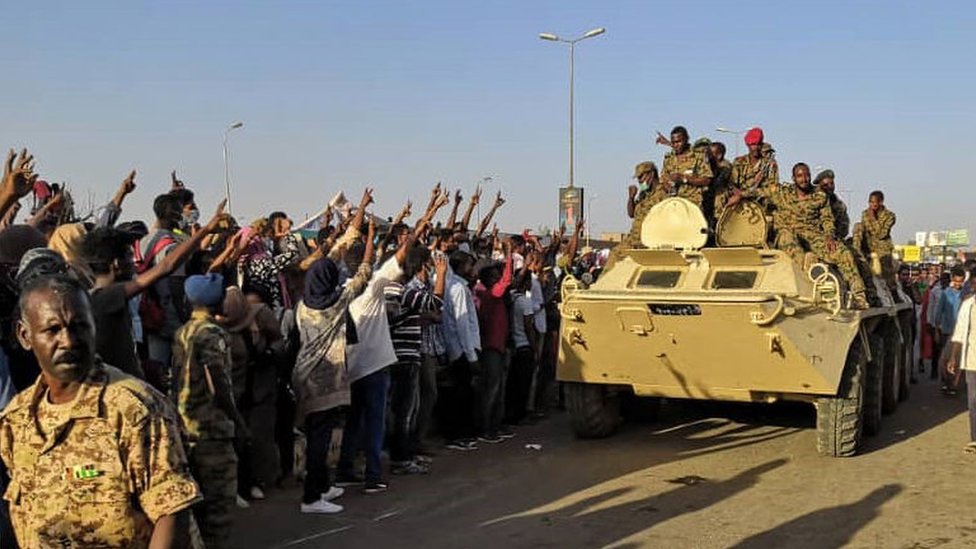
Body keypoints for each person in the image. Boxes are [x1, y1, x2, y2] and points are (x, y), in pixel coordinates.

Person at [0, 274, 201, 547]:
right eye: (52, 330)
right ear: (25, 336)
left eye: (79, 326)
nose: (68, 341)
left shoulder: (134, 408)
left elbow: (171, 512)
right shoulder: (17, 419)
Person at [84, 199, 228, 380]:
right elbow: (166, 266)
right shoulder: (107, 297)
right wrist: (205, 231)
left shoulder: (94, 298)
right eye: (129, 257)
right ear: (116, 264)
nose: (135, 264)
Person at [292, 199, 375, 514]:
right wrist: (369, 237)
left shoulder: (303, 303)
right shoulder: (335, 302)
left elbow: (335, 256)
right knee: (319, 438)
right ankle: (311, 498)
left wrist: (358, 223)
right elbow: (364, 273)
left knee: (319, 433)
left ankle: (323, 486)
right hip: (323, 378)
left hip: (305, 373)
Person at [171, 273, 247, 549]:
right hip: (211, 429)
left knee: (196, 506)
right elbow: (218, 382)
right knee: (219, 508)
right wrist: (237, 421)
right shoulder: (212, 334)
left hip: (186, 427)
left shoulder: (183, 331)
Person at [729, 162, 869, 309]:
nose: (804, 179)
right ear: (794, 178)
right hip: (787, 231)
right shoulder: (782, 192)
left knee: (843, 253)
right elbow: (760, 192)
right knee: (787, 240)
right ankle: (812, 271)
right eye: (800, 176)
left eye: (807, 175)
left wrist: (829, 236)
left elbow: (827, 219)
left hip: (812, 234)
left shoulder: (819, 196)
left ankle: (859, 296)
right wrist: (740, 196)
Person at [439, 250, 481, 451]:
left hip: (458, 348)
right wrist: (471, 355)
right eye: (469, 265)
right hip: (462, 350)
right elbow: (462, 323)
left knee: (461, 393)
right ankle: (457, 435)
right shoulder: (457, 288)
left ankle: (460, 433)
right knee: (461, 395)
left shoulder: (456, 286)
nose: (472, 270)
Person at [473, 242, 513, 443]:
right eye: (495, 277)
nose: (499, 279)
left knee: (496, 388)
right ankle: (487, 428)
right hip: (492, 347)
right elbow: (507, 280)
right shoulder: (492, 295)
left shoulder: (490, 296)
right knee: (492, 389)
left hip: (497, 345)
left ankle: (494, 426)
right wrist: (509, 256)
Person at [945, 278, 976, 454]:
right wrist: (953, 358)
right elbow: (959, 333)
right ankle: (974, 439)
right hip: (972, 360)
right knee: (973, 401)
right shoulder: (968, 305)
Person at [659, 126, 713, 208]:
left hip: (692, 204)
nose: (676, 145)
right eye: (673, 142)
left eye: (679, 142)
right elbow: (663, 179)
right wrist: (667, 186)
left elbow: (707, 180)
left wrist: (684, 179)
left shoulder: (698, 156)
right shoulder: (669, 158)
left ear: (686, 139)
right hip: (673, 204)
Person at [933, 266, 965, 394]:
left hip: (961, 332)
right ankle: (945, 382)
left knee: (958, 360)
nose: (958, 284)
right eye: (956, 281)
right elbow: (939, 312)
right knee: (944, 359)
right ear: (953, 279)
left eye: (960, 281)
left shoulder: (966, 295)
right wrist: (936, 329)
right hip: (947, 331)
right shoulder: (946, 293)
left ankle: (954, 386)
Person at [861, 190, 897, 292]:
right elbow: (866, 231)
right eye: (870, 202)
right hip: (868, 244)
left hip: (883, 246)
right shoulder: (865, 214)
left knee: (886, 268)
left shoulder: (890, 216)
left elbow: (881, 234)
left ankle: (893, 291)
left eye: (874, 202)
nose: (872, 205)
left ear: (881, 202)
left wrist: (872, 218)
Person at [730, 127, 779, 196]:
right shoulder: (739, 162)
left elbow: (772, 188)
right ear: (748, 145)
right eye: (753, 144)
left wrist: (745, 194)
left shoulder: (770, 163)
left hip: (761, 201)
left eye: (758, 144)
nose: (756, 148)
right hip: (740, 200)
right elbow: (732, 183)